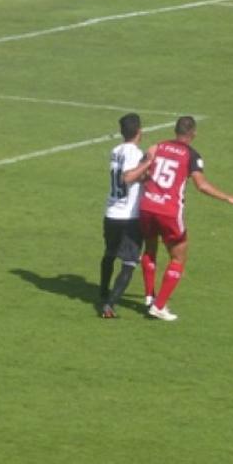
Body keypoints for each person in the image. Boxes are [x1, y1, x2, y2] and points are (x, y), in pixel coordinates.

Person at [139, 115, 233, 321]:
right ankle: (159, 306)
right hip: (169, 212)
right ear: (193, 134)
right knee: (178, 258)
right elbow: (202, 185)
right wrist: (229, 198)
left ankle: (149, 297)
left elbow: (142, 172)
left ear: (175, 130)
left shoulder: (157, 147)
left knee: (150, 248)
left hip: (147, 206)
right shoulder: (192, 155)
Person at [98, 113, 153, 319]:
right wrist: (148, 162)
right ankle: (109, 305)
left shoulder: (116, 151)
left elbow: (126, 177)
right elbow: (129, 177)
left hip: (111, 213)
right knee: (129, 262)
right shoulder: (134, 153)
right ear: (139, 132)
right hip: (129, 217)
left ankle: (103, 293)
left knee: (109, 253)